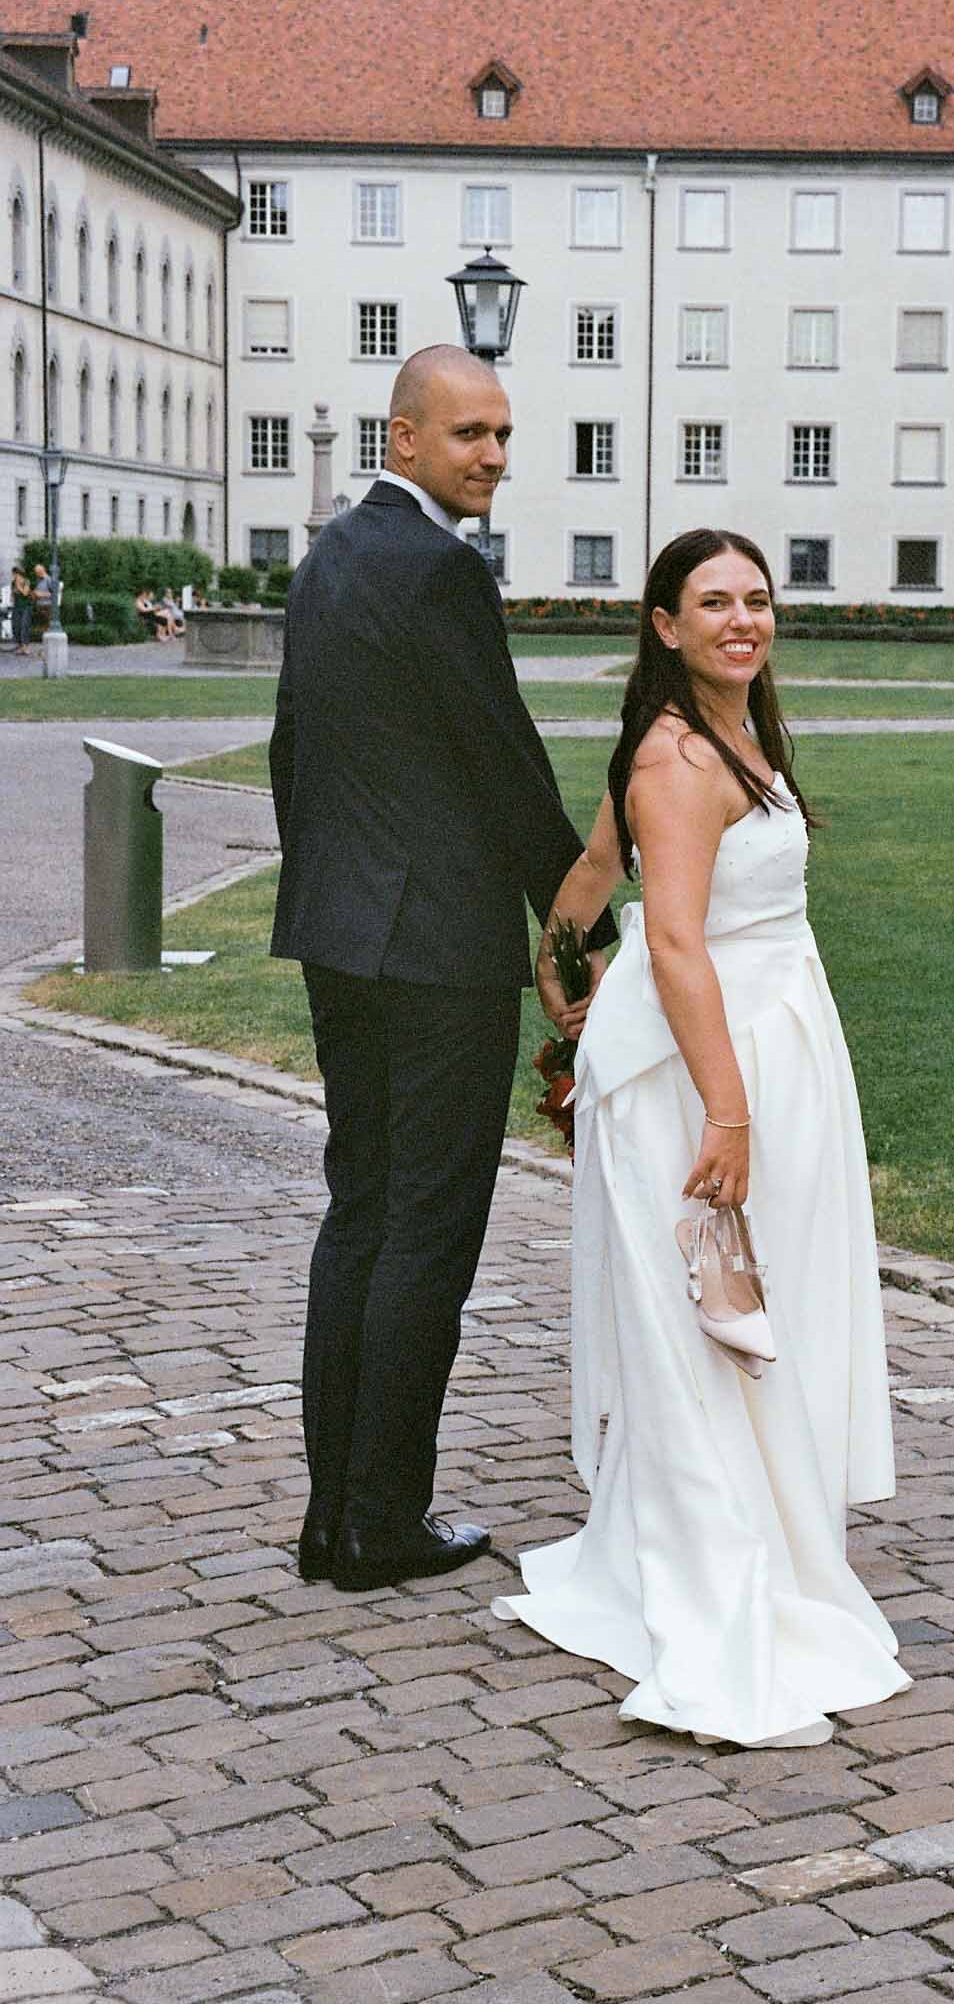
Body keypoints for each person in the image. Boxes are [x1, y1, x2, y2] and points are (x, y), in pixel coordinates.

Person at [497, 528, 910, 1747]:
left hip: (768, 1033)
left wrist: (558, 961)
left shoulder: (730, 731)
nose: (741, 620)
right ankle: (715, 1562)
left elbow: (595, 866)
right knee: (710, 1307)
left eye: (756, 600)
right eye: (713, 602)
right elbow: (673, 939)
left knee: (754, 1301)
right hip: (705, 1060)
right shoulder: (676, 754)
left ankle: (766, 1522)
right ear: (664, 625)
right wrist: (725, 1112)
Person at [270, 343, 616, 1594]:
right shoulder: (440, 569)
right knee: (425, 1228)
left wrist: (330, 889)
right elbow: (502, 758)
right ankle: (382, 1520)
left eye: (503, 434)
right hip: (435, 951)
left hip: (341, 936)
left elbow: (292, 752)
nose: (494, 457)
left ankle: (335, 1519)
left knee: (361, 1212)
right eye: (470, 433)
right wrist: (578, 931)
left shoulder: (328, 557)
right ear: (403, 437)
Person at [9, 564, 32, 656]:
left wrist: (18, 586)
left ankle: (25, 647)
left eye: (14, 574)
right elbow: (12, 596)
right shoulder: (13, 583)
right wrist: (12, 596)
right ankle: (20, 647)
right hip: (16, 607)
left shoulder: (26, 581)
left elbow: (25, 593)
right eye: (13, 574)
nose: (13, 576)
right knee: (16, 626)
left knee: (24, 626)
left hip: (26, 607)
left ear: (18, 574)